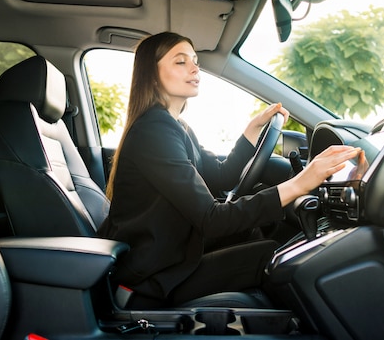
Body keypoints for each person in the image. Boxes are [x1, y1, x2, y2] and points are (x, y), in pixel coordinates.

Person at [97, 31, 361, 309]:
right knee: (277, 255)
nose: (195, 67)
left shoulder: (175, 127)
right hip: (154, 277)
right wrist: (299, 184)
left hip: (171, 255)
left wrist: (251, 130)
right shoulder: (154, 131)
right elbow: (212, 218)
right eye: (180, 61)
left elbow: (222, 176)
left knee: (258, 232)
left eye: (195, 60)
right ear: (151, 75)